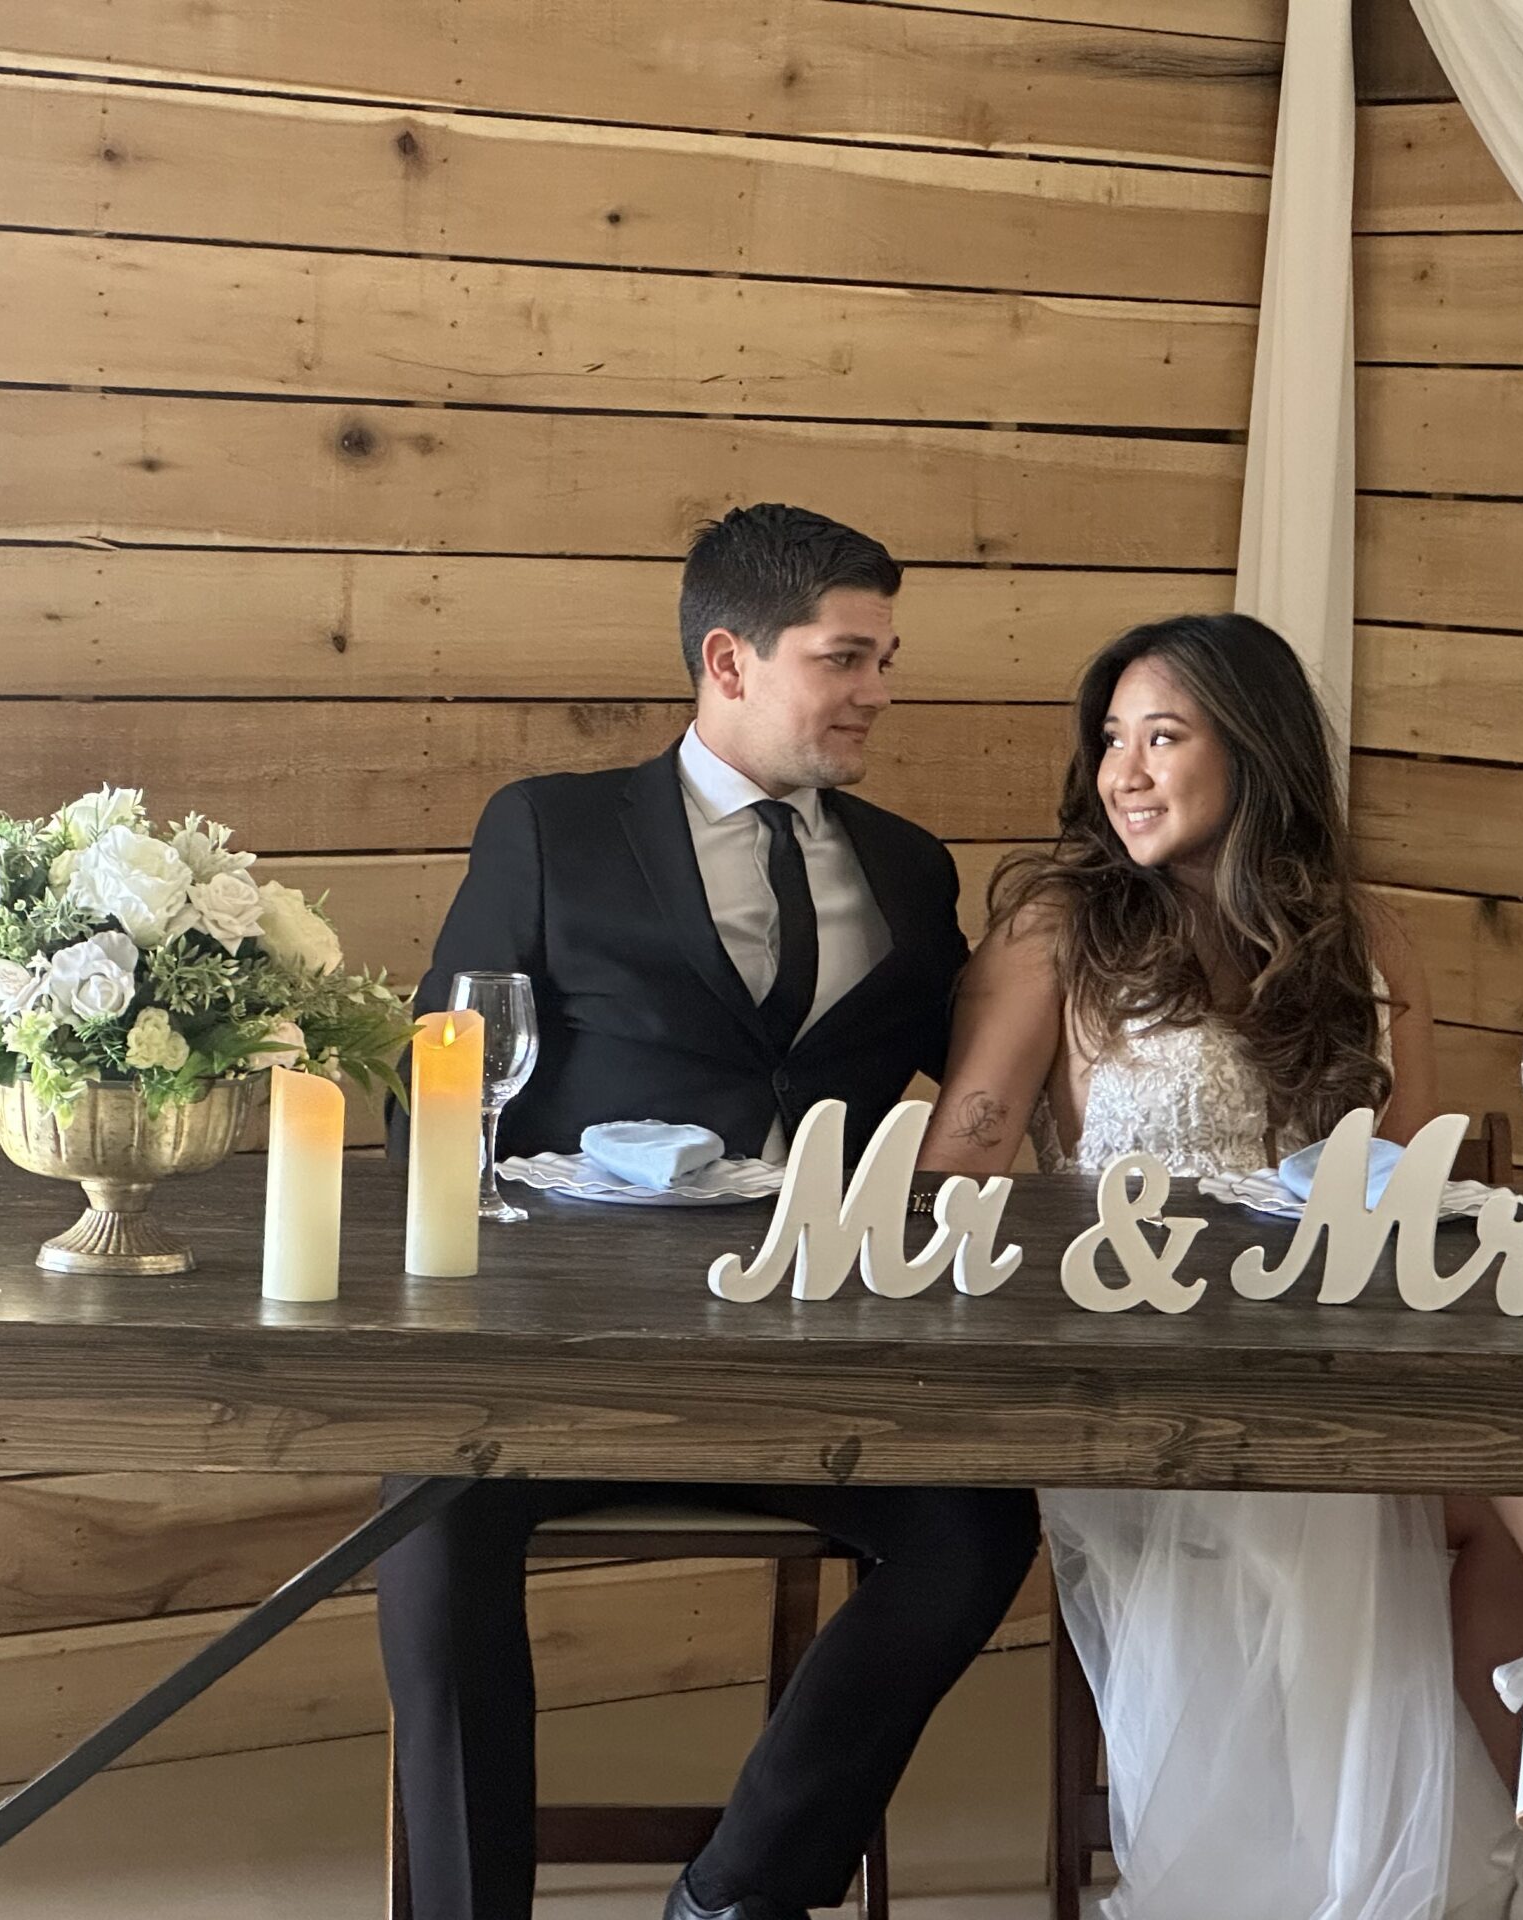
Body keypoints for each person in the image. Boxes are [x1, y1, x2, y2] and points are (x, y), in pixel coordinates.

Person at [918, 612, 1523, 1920]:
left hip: (1334, 1352)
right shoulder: (1059, 931)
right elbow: (965, 1161)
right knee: (1479, 1504)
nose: (1124, 769)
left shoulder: (1363, 938)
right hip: (1137, 1369)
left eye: (1163, 737)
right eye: (1111, 739)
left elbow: (1420, 1197)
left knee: (1500, 1493)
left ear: (1254, 753)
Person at [378, 504, 1038, 1920]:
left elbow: (994, 1076)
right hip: (571, 1356)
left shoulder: (913, 870)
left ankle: (739, 1894)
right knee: (428, 1525)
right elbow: (433, 1096)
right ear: (728, 660)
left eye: (886, 659)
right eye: (844, 657)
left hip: (821, 1357)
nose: (876, 691)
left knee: (977, 1528)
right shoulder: (550, 832)